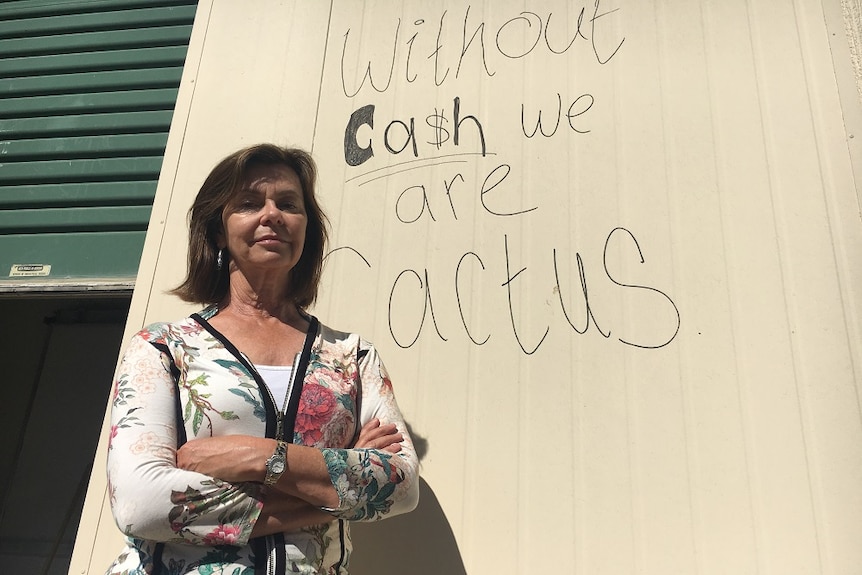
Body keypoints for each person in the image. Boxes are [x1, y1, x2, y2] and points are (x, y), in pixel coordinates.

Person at [105, 144, 419, 574]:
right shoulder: (163, 347)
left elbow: (401, 487)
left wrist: (257, 455)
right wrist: (337, 492)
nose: (272, 214)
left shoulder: (352, 356)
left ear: (306, 228)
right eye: (250, 203)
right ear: (218, 230)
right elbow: (142, 505)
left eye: (288, 204)